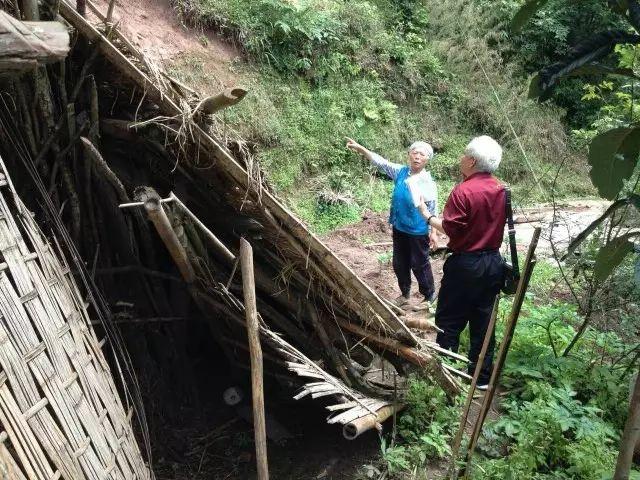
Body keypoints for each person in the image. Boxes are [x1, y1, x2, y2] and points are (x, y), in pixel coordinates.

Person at [418, 135, 505, 389]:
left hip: (466, 265)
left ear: (472, 161)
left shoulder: (463, 191)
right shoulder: (501, 189)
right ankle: (482, 377)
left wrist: (427, 216)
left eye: (464, 155)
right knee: (483, 319)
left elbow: (451, 229)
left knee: (449, 319)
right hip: (493, 263)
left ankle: (447, 373)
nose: (461, 158)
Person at [346, 138, 438, 309]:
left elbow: (433, 208)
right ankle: (405, 294)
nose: (417, 156)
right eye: (415, 152)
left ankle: (429, 294)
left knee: (419, 263)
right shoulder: (400, 172)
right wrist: (361, 148)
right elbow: (381, 162)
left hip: (418, 229)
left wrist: (433, 232)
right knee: (399, 262)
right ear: (409, 155)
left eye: (422, 154)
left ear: (427, 160)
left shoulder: (427, 181)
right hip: (399, 226)